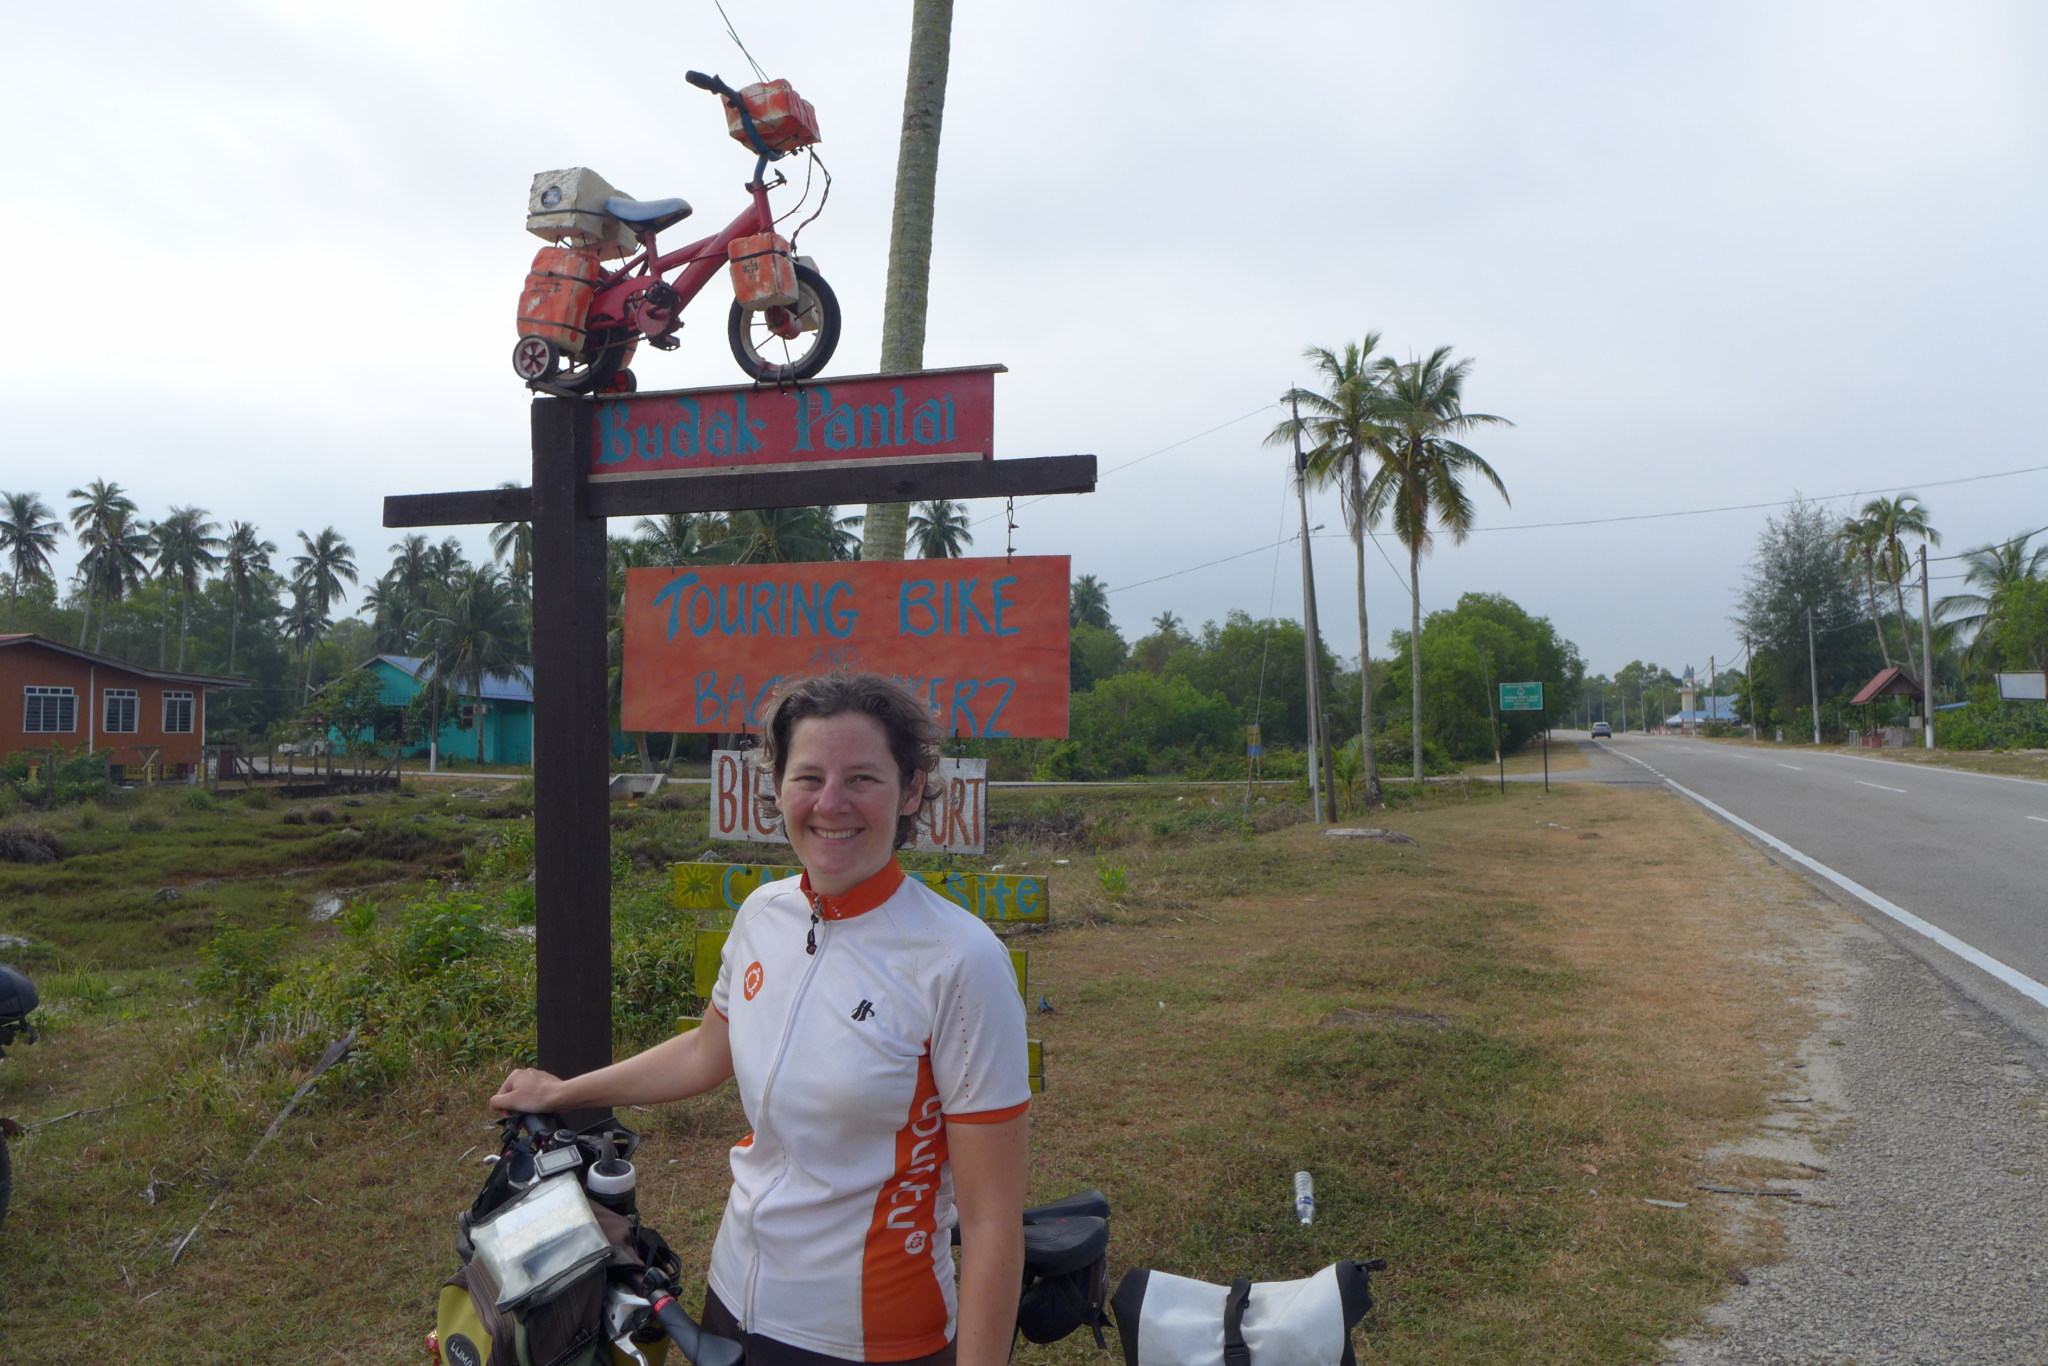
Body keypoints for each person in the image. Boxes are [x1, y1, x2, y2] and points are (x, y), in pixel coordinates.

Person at [492, 672, 1030, 1366]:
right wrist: (565, 1091)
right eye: (808, 777)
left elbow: (991, 1223)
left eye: (862, 778)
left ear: (911, 791)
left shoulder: (959, 961)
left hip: (871, 1335)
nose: (831, 803)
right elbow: (705, 1051)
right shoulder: (764, 914)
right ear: (777, 789)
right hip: (731, 1301)